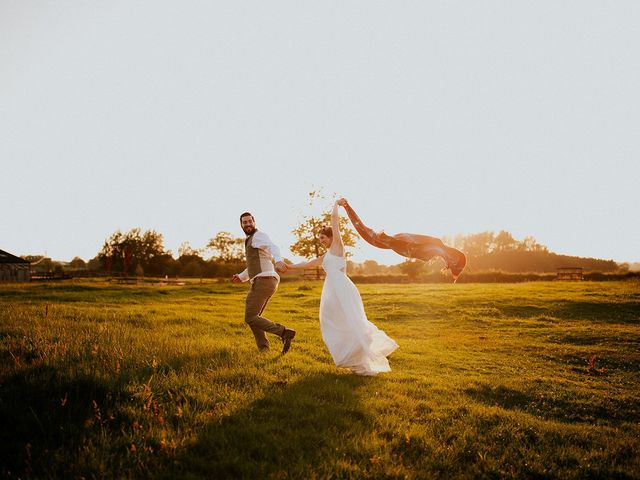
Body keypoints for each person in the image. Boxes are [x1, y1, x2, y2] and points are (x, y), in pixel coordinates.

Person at [286, 199, 398, 375]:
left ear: (331, 237)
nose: (321, 241)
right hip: (331, 290)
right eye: (320, 239)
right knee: (334, 322)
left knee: (352, 321)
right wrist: (289, 267)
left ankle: (361, 355)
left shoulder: (338, 245)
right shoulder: (326, 255)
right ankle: (354, 360)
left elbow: (334, 222)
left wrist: (337, 205)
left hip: (343, 289)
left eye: (323, 238)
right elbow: (309, 263)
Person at [232, 212, 296, 354]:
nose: (248, 224)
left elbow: (273, 246)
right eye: (244, 222)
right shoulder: (250, 240)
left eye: (250, 221)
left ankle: (284, 332)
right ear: (241, 225)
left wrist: (279, 260)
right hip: (265, 280)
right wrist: (241, 277)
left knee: (250, 317)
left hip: (264, 281)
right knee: (255, 318)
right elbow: (254, 265)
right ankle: (264, 349)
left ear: (254, 222)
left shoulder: (258, 236)